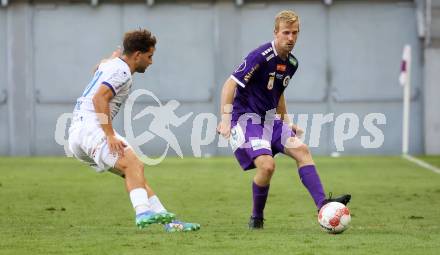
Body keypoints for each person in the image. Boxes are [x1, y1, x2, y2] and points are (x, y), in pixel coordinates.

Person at [217, 10, 351, 229]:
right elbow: (229, 84)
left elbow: (277, 94)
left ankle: (323, 206)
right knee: (267, 166)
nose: (291, 38)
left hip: (270, 121)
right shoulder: (259, 57)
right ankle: (256, 216)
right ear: (276, 32)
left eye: (295, 33)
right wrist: (225, 119)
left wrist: (287, 123)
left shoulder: (292, 63)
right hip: (246, 121)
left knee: (302, 150)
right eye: (286, 32)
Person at [68, 29, 200, 232]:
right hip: (90, 127)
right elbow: (99, 98)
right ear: (137, 55)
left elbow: (97, 69)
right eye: (149, 56)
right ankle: (142, 212)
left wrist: (109, 60)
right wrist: (110, 135)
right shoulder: (121, 71)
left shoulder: (112, 65)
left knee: (134, 172)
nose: (151, 62)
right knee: (134, 164)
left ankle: (170, 224)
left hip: (79, 133)